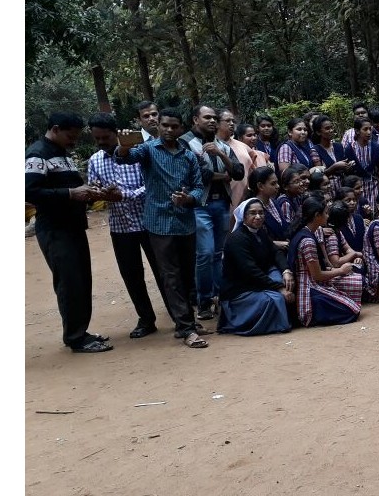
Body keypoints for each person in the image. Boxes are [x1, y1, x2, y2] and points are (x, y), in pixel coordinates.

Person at [113, 108, 210, 348]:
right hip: (159, 223)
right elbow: (124, 157)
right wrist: (123, 145)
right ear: (159, 127)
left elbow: (198, 187)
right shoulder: (148, 150)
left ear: (181, 128)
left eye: (173, 126)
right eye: (164, 125)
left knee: (188, 275)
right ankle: (187, 328)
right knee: (170, 275)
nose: (168, 129)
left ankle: (185, 322)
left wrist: (188, 199)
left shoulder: (187, 156)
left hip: (185, 222)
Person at [26, 112, 114, 353]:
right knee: (69, 283)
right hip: (55, 230)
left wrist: (87, 192)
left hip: (73, 227)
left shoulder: (61, 154)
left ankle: (80, 331)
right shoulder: (37, 154)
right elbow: (29, 192)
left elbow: (68, 186)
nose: (74, 141)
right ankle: (75, 337)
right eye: (70, 136)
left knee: (81, 281)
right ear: (55, 129)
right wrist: (70, 194)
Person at [87, 114, 164, 339]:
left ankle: (179, 316)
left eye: (105, 137)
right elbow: (94, 190)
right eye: (97, 138)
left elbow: (151, 185)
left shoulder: (139, 153)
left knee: (163, 272)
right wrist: (101, 193)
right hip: (120, 227)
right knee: (131, 275)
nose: (101, 142)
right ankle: (146, 319)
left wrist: (125, 195)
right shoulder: (95, 161)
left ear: (116, 133)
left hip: (149, 222)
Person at [181, 105, 244, 320]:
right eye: (206, 117)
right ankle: (204, 300)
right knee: (205, 254)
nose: (212, 121)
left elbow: (237, 172)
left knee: (218, 254)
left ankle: (220, 296)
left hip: (222, 204)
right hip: (201, 205)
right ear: (195, 120)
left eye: (215, 118)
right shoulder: (186, 143)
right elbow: (201, 175)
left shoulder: (221, 146)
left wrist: (221, 156)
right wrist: (223, 175)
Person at [218, 198, 294, 335]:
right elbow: (250, 270)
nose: (258, 217)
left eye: (261, 213)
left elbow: (275, 252)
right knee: (275, 299)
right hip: (240, 288)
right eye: (253, 213)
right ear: (244, 216)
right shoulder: (237, 239)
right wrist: (279, 288)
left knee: (287, 283)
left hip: (257, 281)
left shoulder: (260, 232)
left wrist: (286, 271)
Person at [288, 197, 363, 326]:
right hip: (309, 290)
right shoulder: (308, 241)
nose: (328, 216)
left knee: (352, 306)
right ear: (317, 215)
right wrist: (340, 270)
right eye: (326, 213)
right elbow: (317, 276)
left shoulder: (305, 233)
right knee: (352, 310)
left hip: (310, 285)